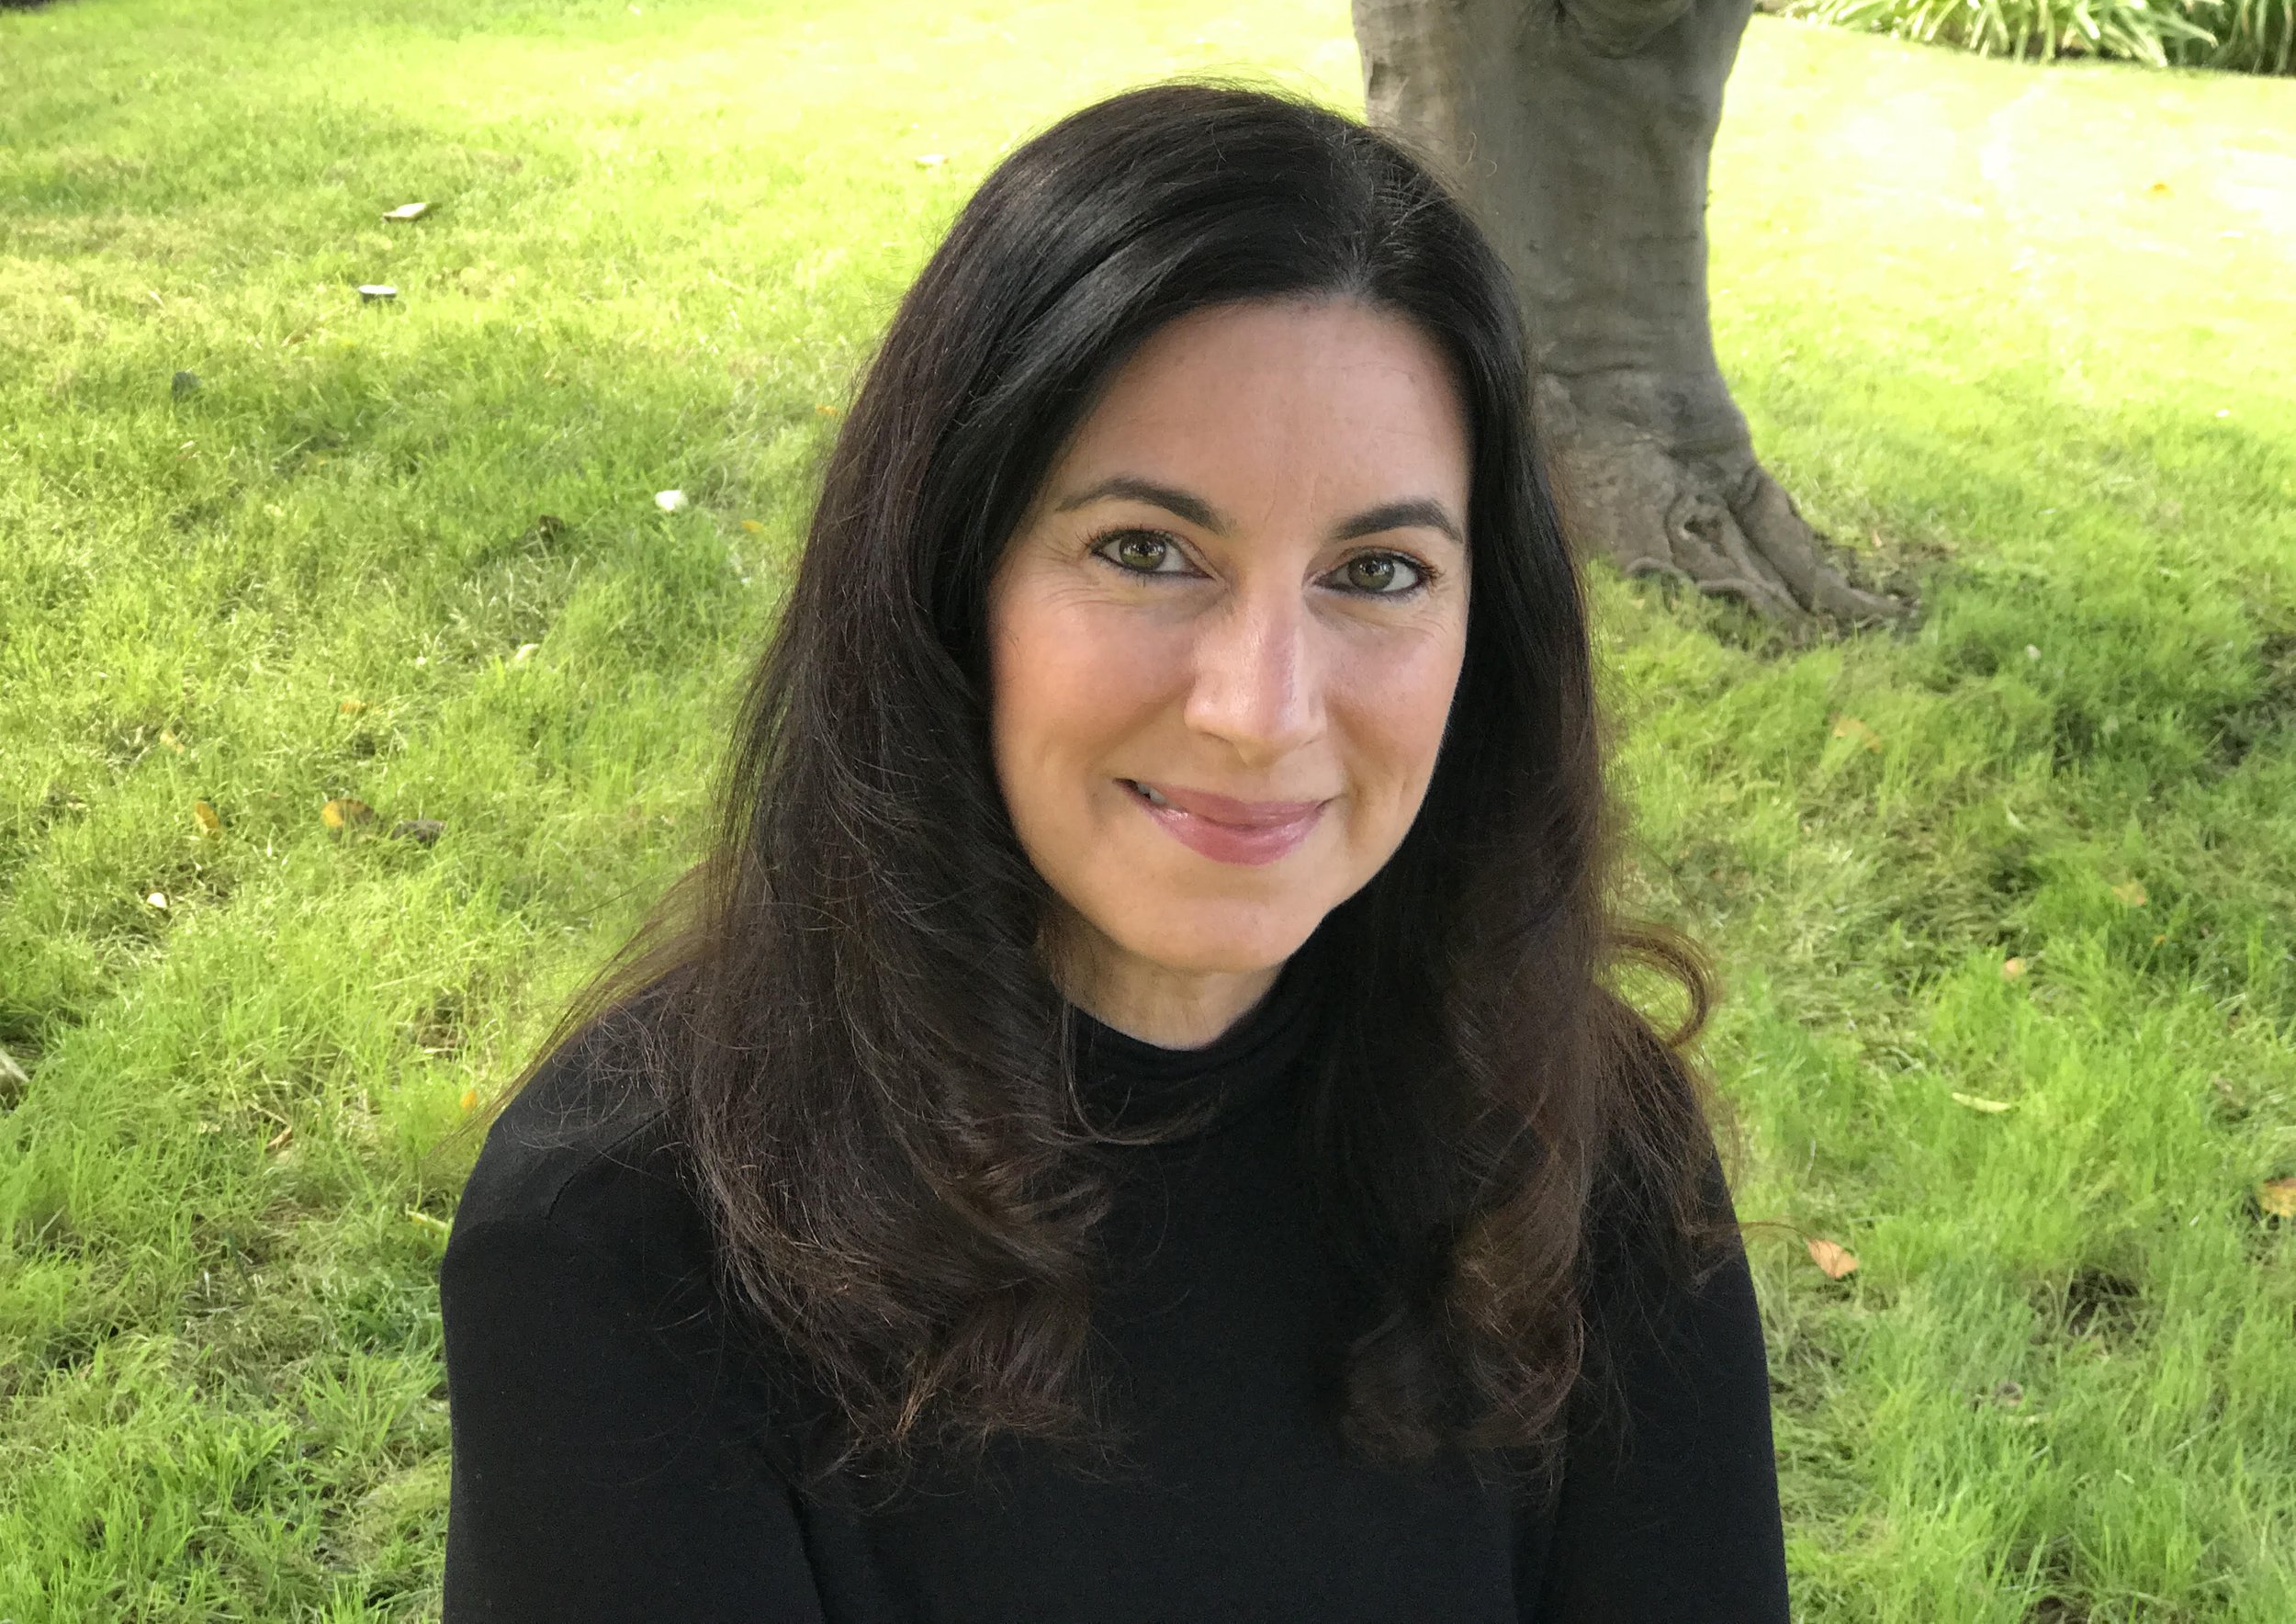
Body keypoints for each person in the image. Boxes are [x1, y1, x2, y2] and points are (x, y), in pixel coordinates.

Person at [438, 82, 1790, 1622]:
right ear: (951, 579)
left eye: (1377, 571)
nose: (1260, 712)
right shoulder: (630, 1234)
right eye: (1146, 552)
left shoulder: (1580, 1145)